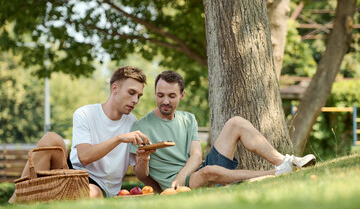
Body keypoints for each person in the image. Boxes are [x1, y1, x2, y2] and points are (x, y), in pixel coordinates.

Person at [130, 70, 316, 192]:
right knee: (208, 171)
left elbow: (195, 156)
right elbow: (141, 174)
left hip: (193, 172)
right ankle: (276, 174)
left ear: (182, 95)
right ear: (155, 93)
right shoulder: (141, 127)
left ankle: (284, 161)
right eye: (160, 95)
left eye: (171, 96)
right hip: (178, 186)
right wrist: (147, 163)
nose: (165, 101)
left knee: (236, 122)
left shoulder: (188, 118)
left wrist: (182, 175)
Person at [9, 66, 151, 203]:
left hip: (100, 186)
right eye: (131, 93)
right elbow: (84, 157)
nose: (135, 100)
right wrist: (119, 138)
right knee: (51, 138)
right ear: (115, 88)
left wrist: (144, 159)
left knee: (91, 193)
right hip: (73, 172)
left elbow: (140, 175)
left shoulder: (133, 123)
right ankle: (17, 200)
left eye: (139, 96)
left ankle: (44, 198)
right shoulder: (85, 113)